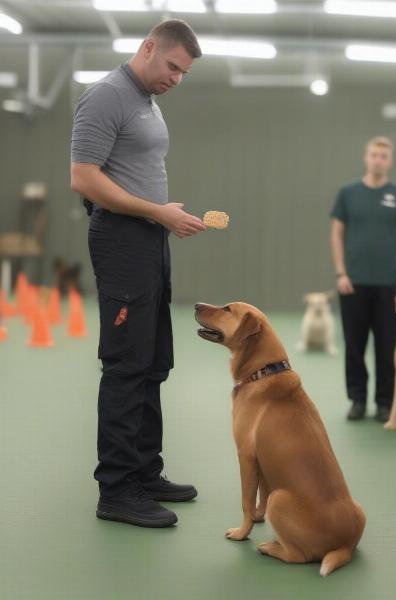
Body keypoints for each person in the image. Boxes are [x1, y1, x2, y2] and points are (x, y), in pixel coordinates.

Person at [71, 20, 206, 527]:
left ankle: (146, 471)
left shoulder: (147, 98)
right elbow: (83, 177)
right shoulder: (106, 96)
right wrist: (154, 211)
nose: (176, 78)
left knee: (153, 362)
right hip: (123, 240)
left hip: (150, 237)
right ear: (148, 48)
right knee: (127, 365)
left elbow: (129, 170)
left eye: (184, 73)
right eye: (172, 66)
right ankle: (117, 489)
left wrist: (161, 211)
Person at [330, 136, 396, 423]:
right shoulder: (347, 193)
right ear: (366, 158)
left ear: (389, 161)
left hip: (389, 284)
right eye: (374, 155)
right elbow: (337, 233)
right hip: (352, 283)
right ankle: (357, 400)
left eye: (384, 156)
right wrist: (341, 272)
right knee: (354, 345)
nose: (378, 160)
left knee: (387, 344)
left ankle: (384, 402)